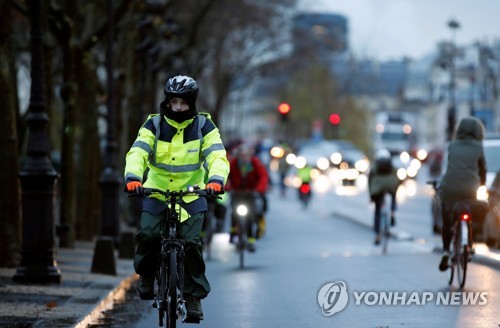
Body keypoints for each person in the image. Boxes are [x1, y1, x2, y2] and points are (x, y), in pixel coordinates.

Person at [124, 75, 230, 320]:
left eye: (183, 103)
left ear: (191, 104)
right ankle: (148, 276)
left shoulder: (205, 127)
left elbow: (217, 156)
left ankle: (193, 297)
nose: (178, 107)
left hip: (192, 195)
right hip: (156, 192)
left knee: (192, 243)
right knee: (149, 235)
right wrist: (133, 177)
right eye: (174, 102)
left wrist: (215, 181)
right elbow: (138, 151)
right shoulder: (154, 125)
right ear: (168, 102)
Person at [438, 116, 486, 271]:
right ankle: (469, 242)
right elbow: (482, 170)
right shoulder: (479, 147)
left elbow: (449, 168)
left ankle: (446, 251)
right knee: (473, 211)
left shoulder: (452, 146)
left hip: (450, 188)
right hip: (470, 189)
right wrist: (482, 185)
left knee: (447, 217)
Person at [226, 143, 269, 251]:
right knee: (234, 213)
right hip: (237, 193)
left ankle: (251, 241)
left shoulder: (256, 163)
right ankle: (233, 233)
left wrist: (258, 189)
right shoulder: (233, 163)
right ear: (238, 155)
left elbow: (263, 177)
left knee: (251, 215)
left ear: (250, 155)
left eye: (246, 155)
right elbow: (225, 176)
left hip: (251, 193)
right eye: (242, 155)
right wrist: (226, 187)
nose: (244, 157)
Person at [368, 149, 401, 245]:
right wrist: (396, 186)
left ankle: (377, 234)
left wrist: (371, 194)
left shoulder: (375, 165)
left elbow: (370, 179)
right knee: (393, 194)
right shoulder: (391, 165)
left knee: (377, 211)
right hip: (390, 186)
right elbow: (397, 176)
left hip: (377, 188)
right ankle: (393, 213)